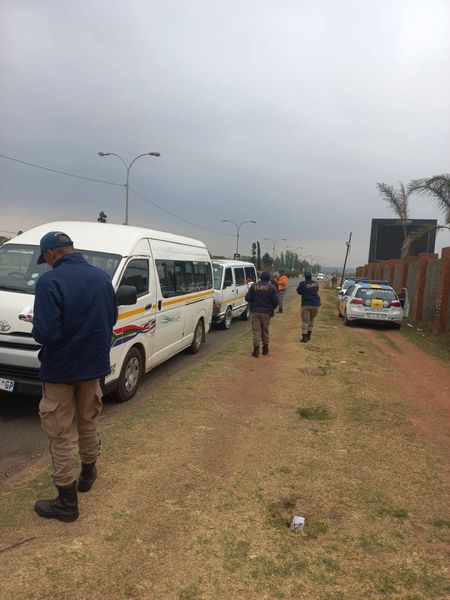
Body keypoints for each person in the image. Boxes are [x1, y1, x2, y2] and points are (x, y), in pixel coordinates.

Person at [29, 231, 117, 522]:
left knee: (59, 433)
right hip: (93, 365)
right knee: (88, 422)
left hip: (61, 368)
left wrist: (35, 324)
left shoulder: (49, 282)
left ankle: (67, 502)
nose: (47, 264)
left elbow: (48, 333)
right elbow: (111, 318)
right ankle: (88, 474)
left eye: (46, 259)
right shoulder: (102, 278)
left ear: (52, 254)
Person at [245, 271, 279, 357]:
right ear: (268, 278)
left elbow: (247, 298)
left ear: (260, 278)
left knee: (256, 330)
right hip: (267, 312)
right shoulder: (272, 287)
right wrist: (272, 308)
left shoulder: (254, 286)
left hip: (255, 311)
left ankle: (256, 350)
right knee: (265, 330)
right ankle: (265, 349)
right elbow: (276, 301)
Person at [296, 271, 321, 343]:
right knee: (311, 320)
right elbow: (316, 290)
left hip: (306, 304)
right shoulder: (316, 283)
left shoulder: (302, 283)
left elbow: (299, 292)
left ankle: (304, 338)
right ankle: (309, 336)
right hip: (316, 304)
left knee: (305, 321)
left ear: (305, 277)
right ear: (311, 276)